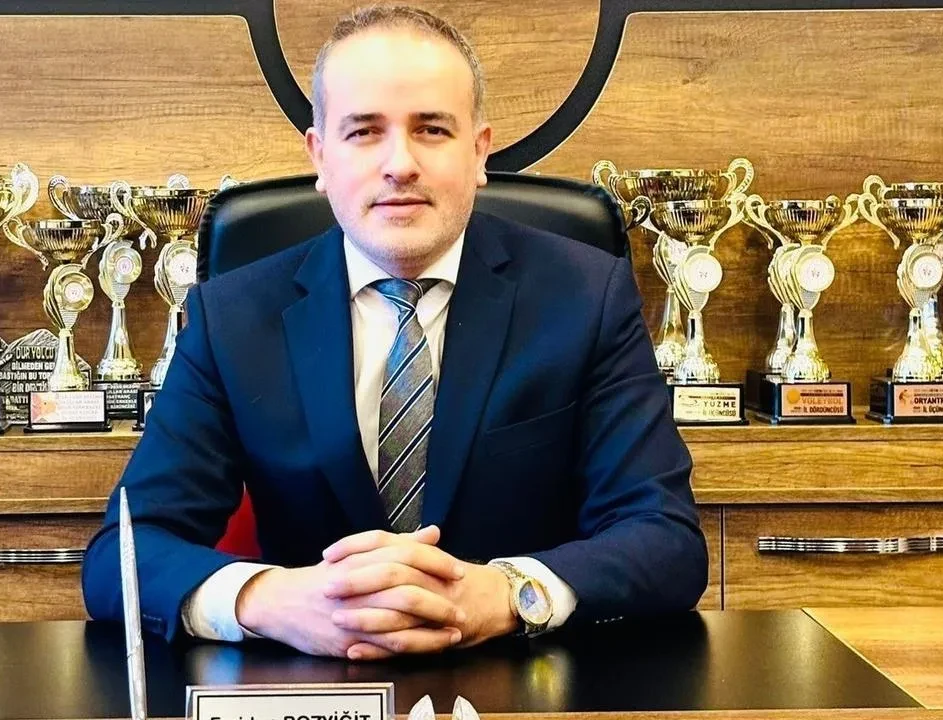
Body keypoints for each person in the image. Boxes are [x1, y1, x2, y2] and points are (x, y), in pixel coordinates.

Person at [82, 4, 706, 661]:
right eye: (364, 132)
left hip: (523, 674)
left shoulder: (586, 296)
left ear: (479, 151)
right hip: (313, 683)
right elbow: (121, 556)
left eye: (432, 129)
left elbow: (665, 539)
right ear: (320, 155)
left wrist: (507, 593)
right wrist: (273, 600)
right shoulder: (232, 316)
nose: (399, 163)